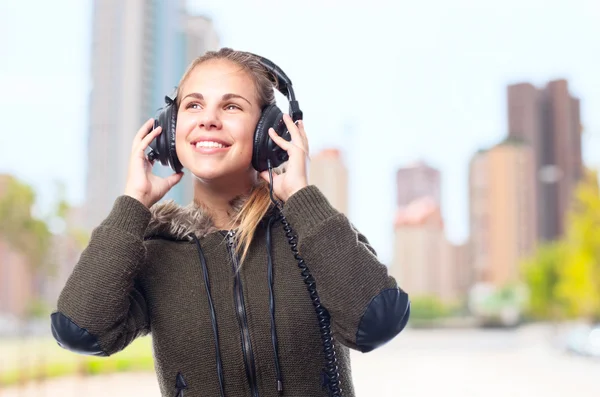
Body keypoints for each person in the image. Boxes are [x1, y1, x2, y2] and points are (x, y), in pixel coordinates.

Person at [50, 48, 411, 397]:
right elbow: (79, 330)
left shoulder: (313, 232)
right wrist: (133, 203)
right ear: (170, 128)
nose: (208, 119)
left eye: (231, 106)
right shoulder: (153, 250)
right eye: (193, 105)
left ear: (270, 131)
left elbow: (378, 321)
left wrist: (300, 196)